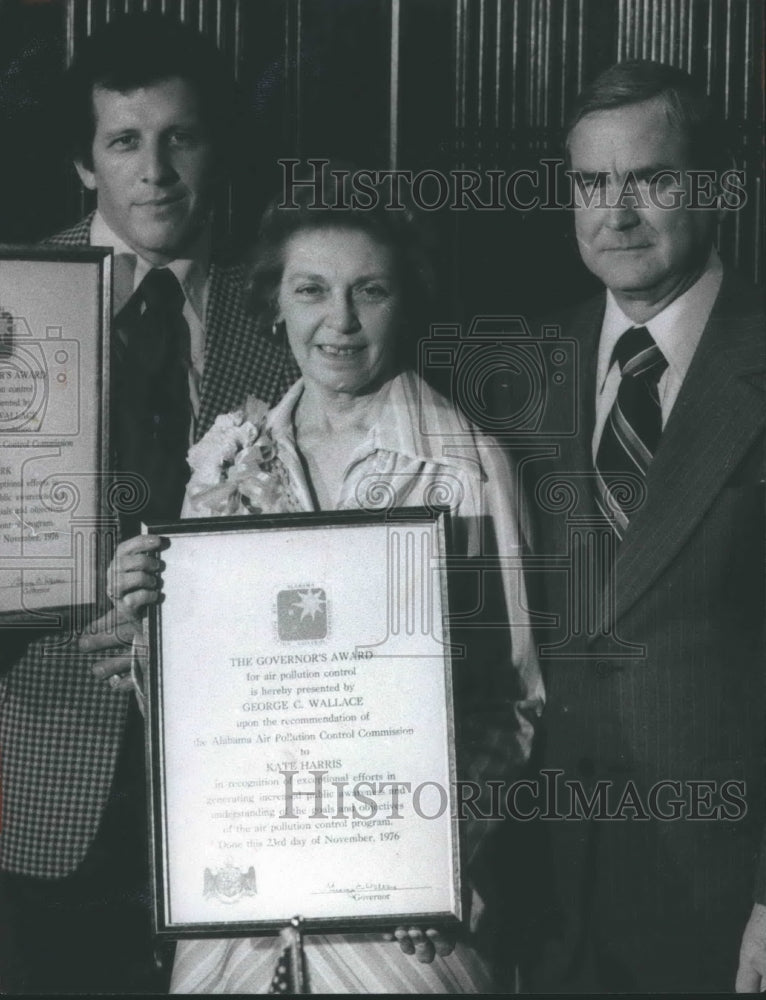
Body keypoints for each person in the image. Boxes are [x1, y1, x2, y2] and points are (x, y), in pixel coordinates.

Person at [102, 185, 544, 992]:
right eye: (311, 289)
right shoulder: (225, 460)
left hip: (397, 916)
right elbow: (197, 712)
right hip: (242, 904)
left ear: (405, 301)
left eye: (369, 290)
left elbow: (512, 701)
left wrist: (434, 858)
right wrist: (146, 626)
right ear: (274, 302)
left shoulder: (465, 464)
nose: (339, 321)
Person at [0, 14, 298, 994]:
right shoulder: (11, 300)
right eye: (126, 141)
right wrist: (46, 609)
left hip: (232, 799)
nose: (157, 169)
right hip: (36, 791)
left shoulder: (289, 318)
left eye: (183, 137)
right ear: (85, 165)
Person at [511, 60, 765, 992]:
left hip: (719, 902)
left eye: (651, 181)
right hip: (544, 900)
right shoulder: (525, 369)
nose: (614, 214)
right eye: (590, 184)